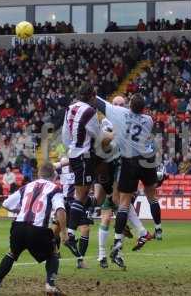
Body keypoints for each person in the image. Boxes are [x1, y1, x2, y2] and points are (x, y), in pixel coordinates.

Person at [96, 93, 162, 268]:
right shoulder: (106, 122)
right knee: (105, 204)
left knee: (119, 208)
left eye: (122, 103)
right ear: (112, 105)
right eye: (116, 103)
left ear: (126, 105)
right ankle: (106, 252)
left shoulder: (124, 117)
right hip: (107, 168)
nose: (119, 106)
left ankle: (114, 252)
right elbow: (103, 143)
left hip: (123, 168)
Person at [0, 163, 67, 296]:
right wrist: (64, 232)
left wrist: (22, 210)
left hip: (18, 227)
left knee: (12, 253)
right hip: (37, 229)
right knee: (53, 252)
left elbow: (6, 203)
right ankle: (50, 285)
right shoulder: (55, 188)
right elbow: (60, 209)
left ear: (39, 174)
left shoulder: (27, 186)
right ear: (53, 176)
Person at [61, 83, 112, 257]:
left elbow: (65, 136)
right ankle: (69, 234)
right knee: (80, 196)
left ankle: (71, 228)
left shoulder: (70, 108)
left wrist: (73, 148)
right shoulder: (90, 111)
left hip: (75, 154)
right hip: (85, 156)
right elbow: (98, 137)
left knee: (82, 196)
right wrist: (111, 136)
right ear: (92, 96)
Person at [53, 157, 92, 269]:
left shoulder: (82, 167)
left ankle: (80, 260)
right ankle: (56, 253)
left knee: (85, 229)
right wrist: (63, 162)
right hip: (65, 202)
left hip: (78, 202)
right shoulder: (63, 167)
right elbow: (50, 167)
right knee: (55, 231)